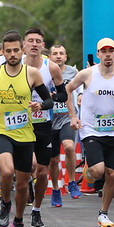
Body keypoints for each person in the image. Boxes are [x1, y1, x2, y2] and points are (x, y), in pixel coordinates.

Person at [0, 31, 55, 227]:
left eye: (15, 50)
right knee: (7, 171)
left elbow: (49, 101)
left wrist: (40, 104)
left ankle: (18, 221)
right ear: (4, 51)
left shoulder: (32, 74)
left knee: (22, 184)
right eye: (8, 51)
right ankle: (5, 204)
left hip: (25, 134)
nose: (12, 54)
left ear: (22, 50)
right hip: (1, 130)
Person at [66, 37, 114, 227]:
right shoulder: (87, 74)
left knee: (112, 175)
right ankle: (90, 173)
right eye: (103, 51)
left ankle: (103, 213)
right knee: (99, 171)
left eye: (111, 51)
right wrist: (73, 116)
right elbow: (68, 89)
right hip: (91, 131)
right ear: (98, 54)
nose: (107, 55)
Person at [48, 43, 81, 203]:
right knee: (53, 160)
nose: (58, 56)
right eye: (55, 53)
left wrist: (81, 97)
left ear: (66, 57)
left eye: (61, 53)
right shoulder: (45, 72)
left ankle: (72, 181)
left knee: (68, 147)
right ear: (50, 57)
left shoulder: (73, 72)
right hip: (49, 119)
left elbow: (81, 89)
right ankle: (55, 189)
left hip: (67, 117)